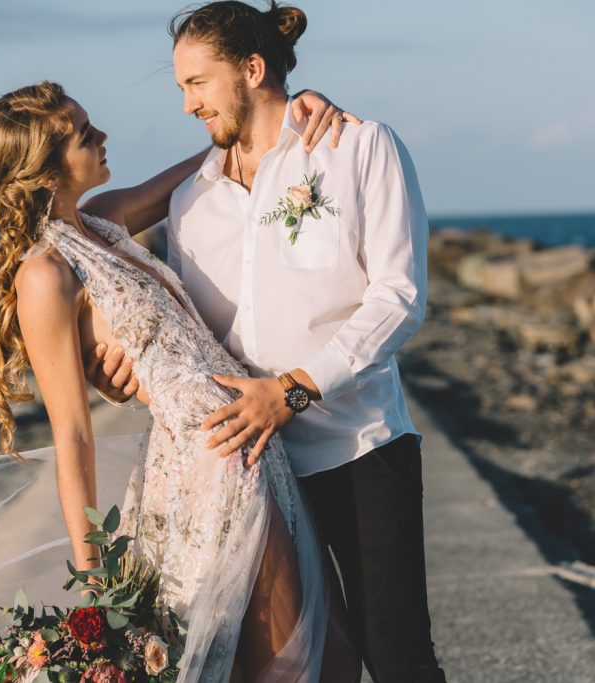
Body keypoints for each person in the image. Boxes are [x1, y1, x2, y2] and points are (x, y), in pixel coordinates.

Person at [0, 82, 360, 682]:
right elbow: (72, 432)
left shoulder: (106, 218)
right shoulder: (44, 275)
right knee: (290, 665)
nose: (103, 137)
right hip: (209, 462)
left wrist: (289, 109)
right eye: (83, 135)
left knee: (330, 658)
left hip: (252, 444)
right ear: (45, 175)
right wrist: (91, 570)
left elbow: (210, 165)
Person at [89, 2, 446, 681]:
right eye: (181, 89)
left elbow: (399, 298)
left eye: (197, 83)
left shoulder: (359, 148)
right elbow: (190, 331)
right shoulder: (191, 203)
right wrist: (119, 351)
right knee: (288, 665)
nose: (188, 103)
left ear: (252, 69)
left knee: (397, 655)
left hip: (360, 446)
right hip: (251, 472)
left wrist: (292, 390)